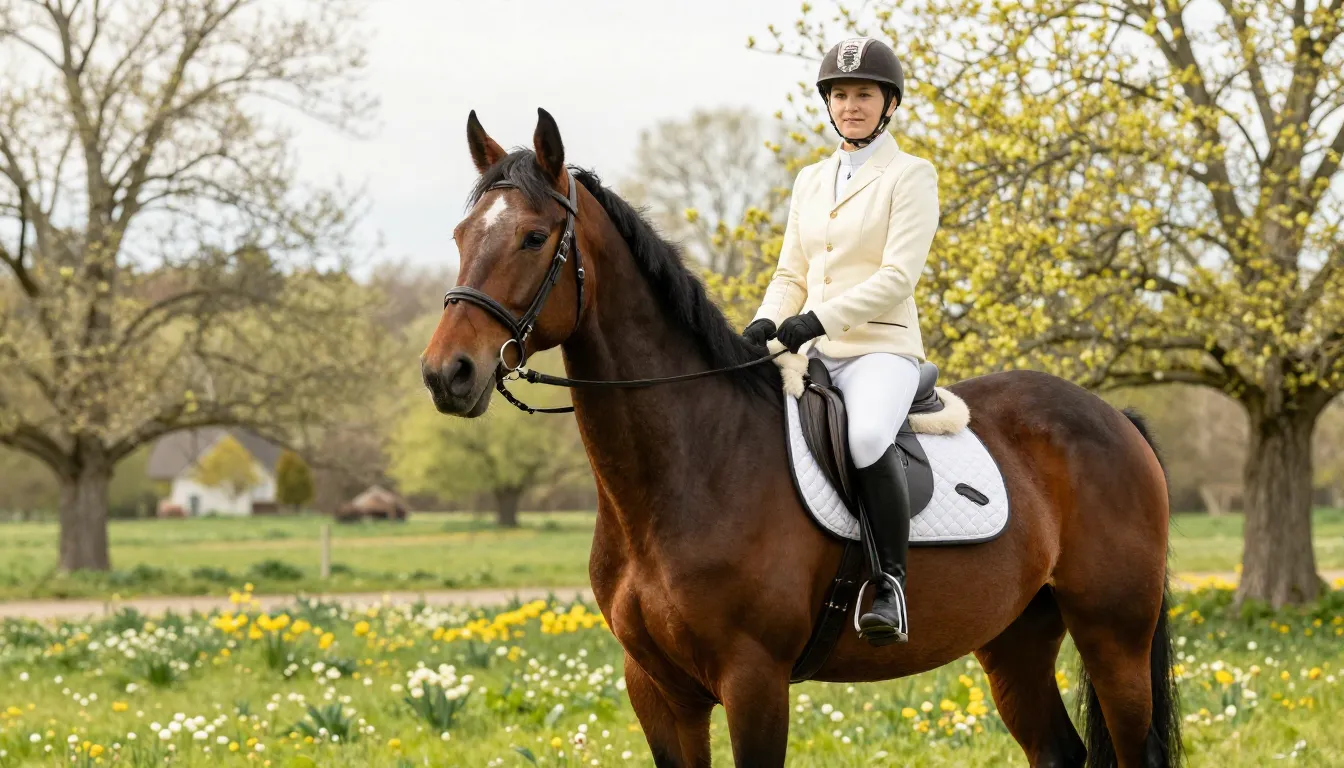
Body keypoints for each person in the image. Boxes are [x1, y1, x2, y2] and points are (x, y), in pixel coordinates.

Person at [742, 37, 939, 646]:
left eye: (864, 95)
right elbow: (790, 274)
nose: (851, 105)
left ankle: (890, 584)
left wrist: (813, 321)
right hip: (815, 350)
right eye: (841, 95)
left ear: (888, 104)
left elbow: (896, 278)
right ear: (829, 104)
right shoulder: (810, 179)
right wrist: (765, 323)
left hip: (882, 349)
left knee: (868, 434)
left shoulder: (910, 175)